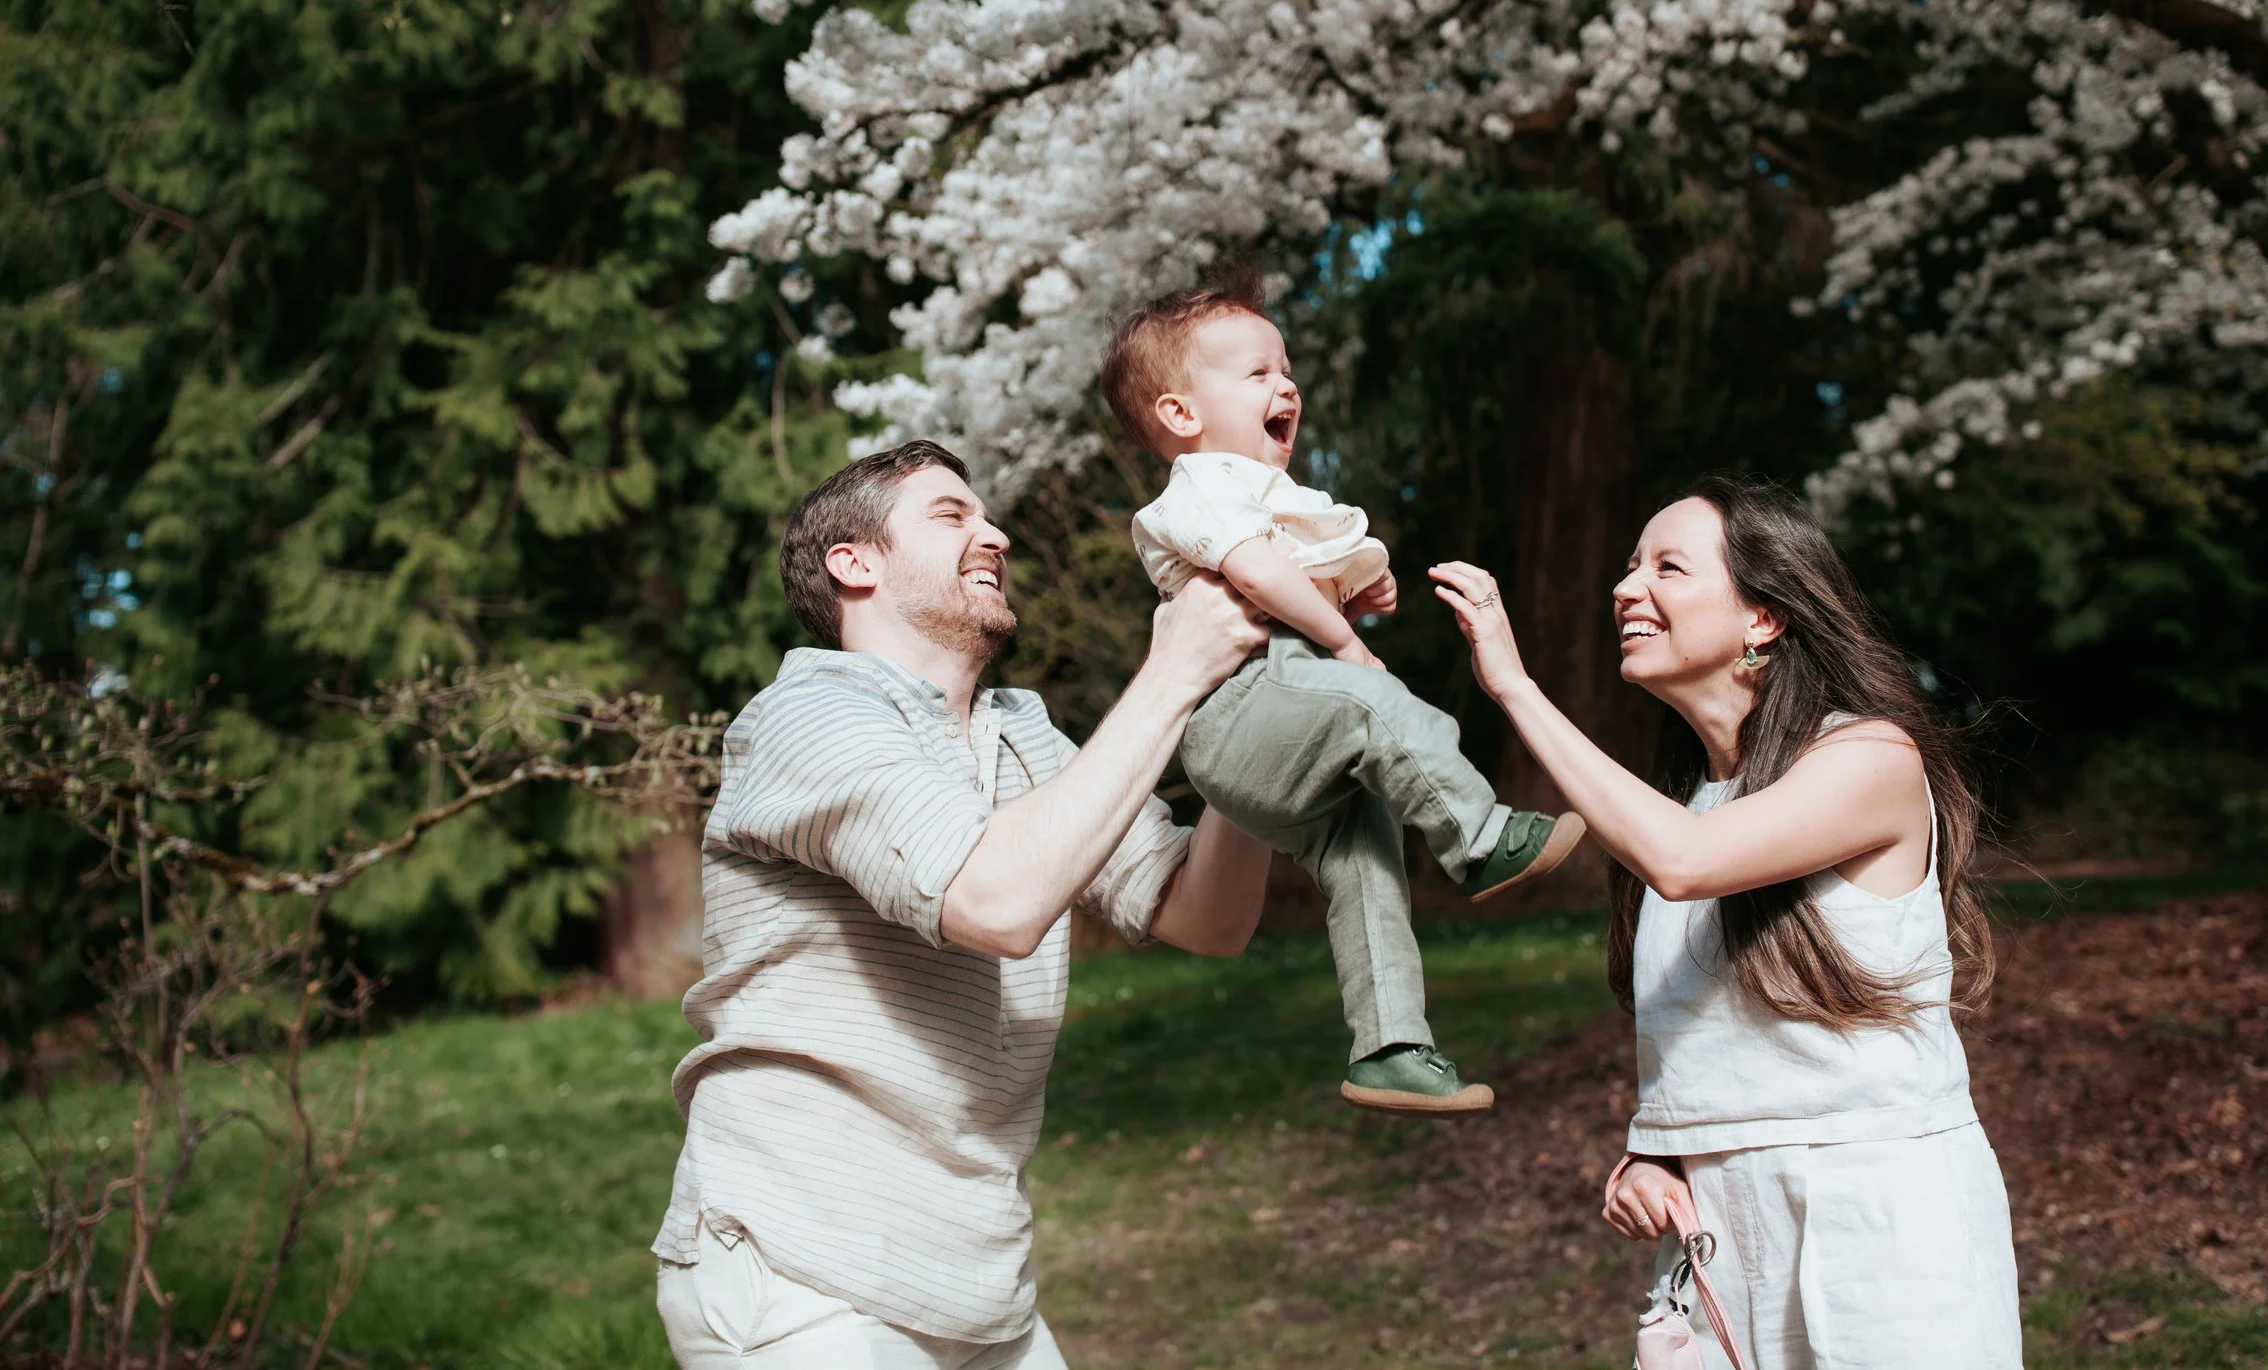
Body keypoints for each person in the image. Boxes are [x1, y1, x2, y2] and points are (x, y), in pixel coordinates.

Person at [652, 440, 1276, 1369]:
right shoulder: (806, 716)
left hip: (978, 1290)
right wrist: (1175, 670)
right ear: (852, 563)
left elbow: (1206, 916)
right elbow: (996, 900)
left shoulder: (1022, 735)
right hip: (800, 1276)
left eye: (987, 515)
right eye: (951, 515)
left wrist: (1253, 713)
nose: (995, 533)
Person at [1429, 476, 2021, 1369]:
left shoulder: (1871, 756)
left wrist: (1513, 686)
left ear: (1765, 618)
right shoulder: (1686, 797)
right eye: (1631, 567)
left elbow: (1687, 860)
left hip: (1880, 1224)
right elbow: (1702, 1038)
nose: (1629, 587)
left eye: (1669, 566)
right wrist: (1657, 1152)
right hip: (1718, 1239)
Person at [1099, 282, 1585, 1118]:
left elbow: (1275, 579)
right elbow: (1253, 574)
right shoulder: (1200, 485)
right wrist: (1345, 640)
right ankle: (1477, 837)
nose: (1286, 387)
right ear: (1182, 413)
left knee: (1366, 856)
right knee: (1371, 702)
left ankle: (1390, 1045)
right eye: (1257, 373)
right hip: (1241, 711)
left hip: (1272, 728)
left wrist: (1344, 596)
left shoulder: (1253, 498)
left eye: (1287, 370)